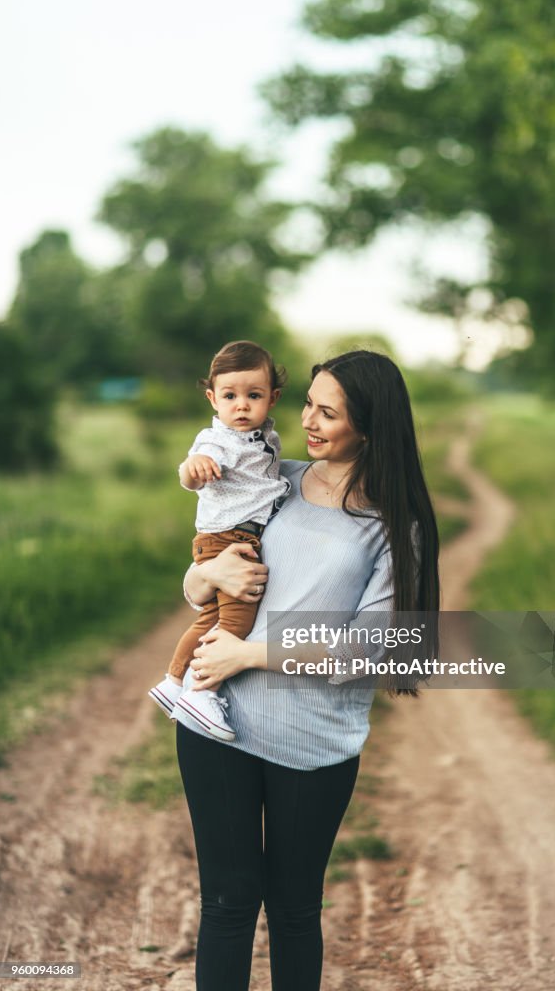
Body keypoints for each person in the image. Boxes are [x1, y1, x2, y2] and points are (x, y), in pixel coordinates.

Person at [175, 350, 440, 991]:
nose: (309, 422)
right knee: (227, 904)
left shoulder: (391, 526)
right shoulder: (275, 481)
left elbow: (368, 648)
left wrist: (251, 653)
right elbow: (199, 588)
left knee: (294, 909)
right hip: (218, 724)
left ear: (371, 425)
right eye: (307, 404)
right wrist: (204, 575)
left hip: (315, 744)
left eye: (329, 411)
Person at [148, 340, 290, 741]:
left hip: (233, 535)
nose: (241, 406)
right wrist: (193, 467)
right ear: (213, 399)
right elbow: (189, 475)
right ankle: (202, 692)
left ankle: (174, 682)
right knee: (235, 621)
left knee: (209, 618)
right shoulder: (217, 440)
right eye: (229, 396)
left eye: (254, 395)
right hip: (225, 539)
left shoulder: (266, 437)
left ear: (273, 398)